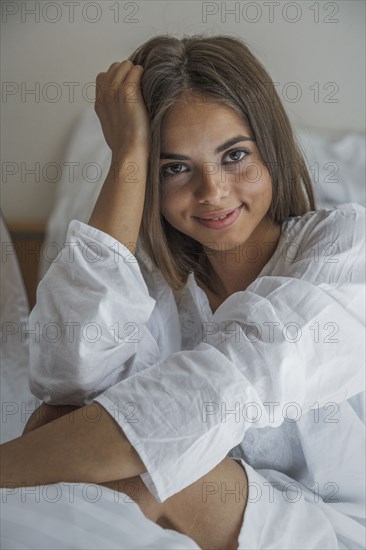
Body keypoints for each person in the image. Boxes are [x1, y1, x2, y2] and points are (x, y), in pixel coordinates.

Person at [1, 34, 365, 550]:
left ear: (272, 150)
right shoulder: (154, 282)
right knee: (58, 419)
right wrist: (127, 153)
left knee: (150, 476)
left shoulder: (346, 248)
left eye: (235, 155)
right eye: (175, 167)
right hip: (200, 495)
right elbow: (67, 383)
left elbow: (224, 388)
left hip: (328, 519)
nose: (212, 191)